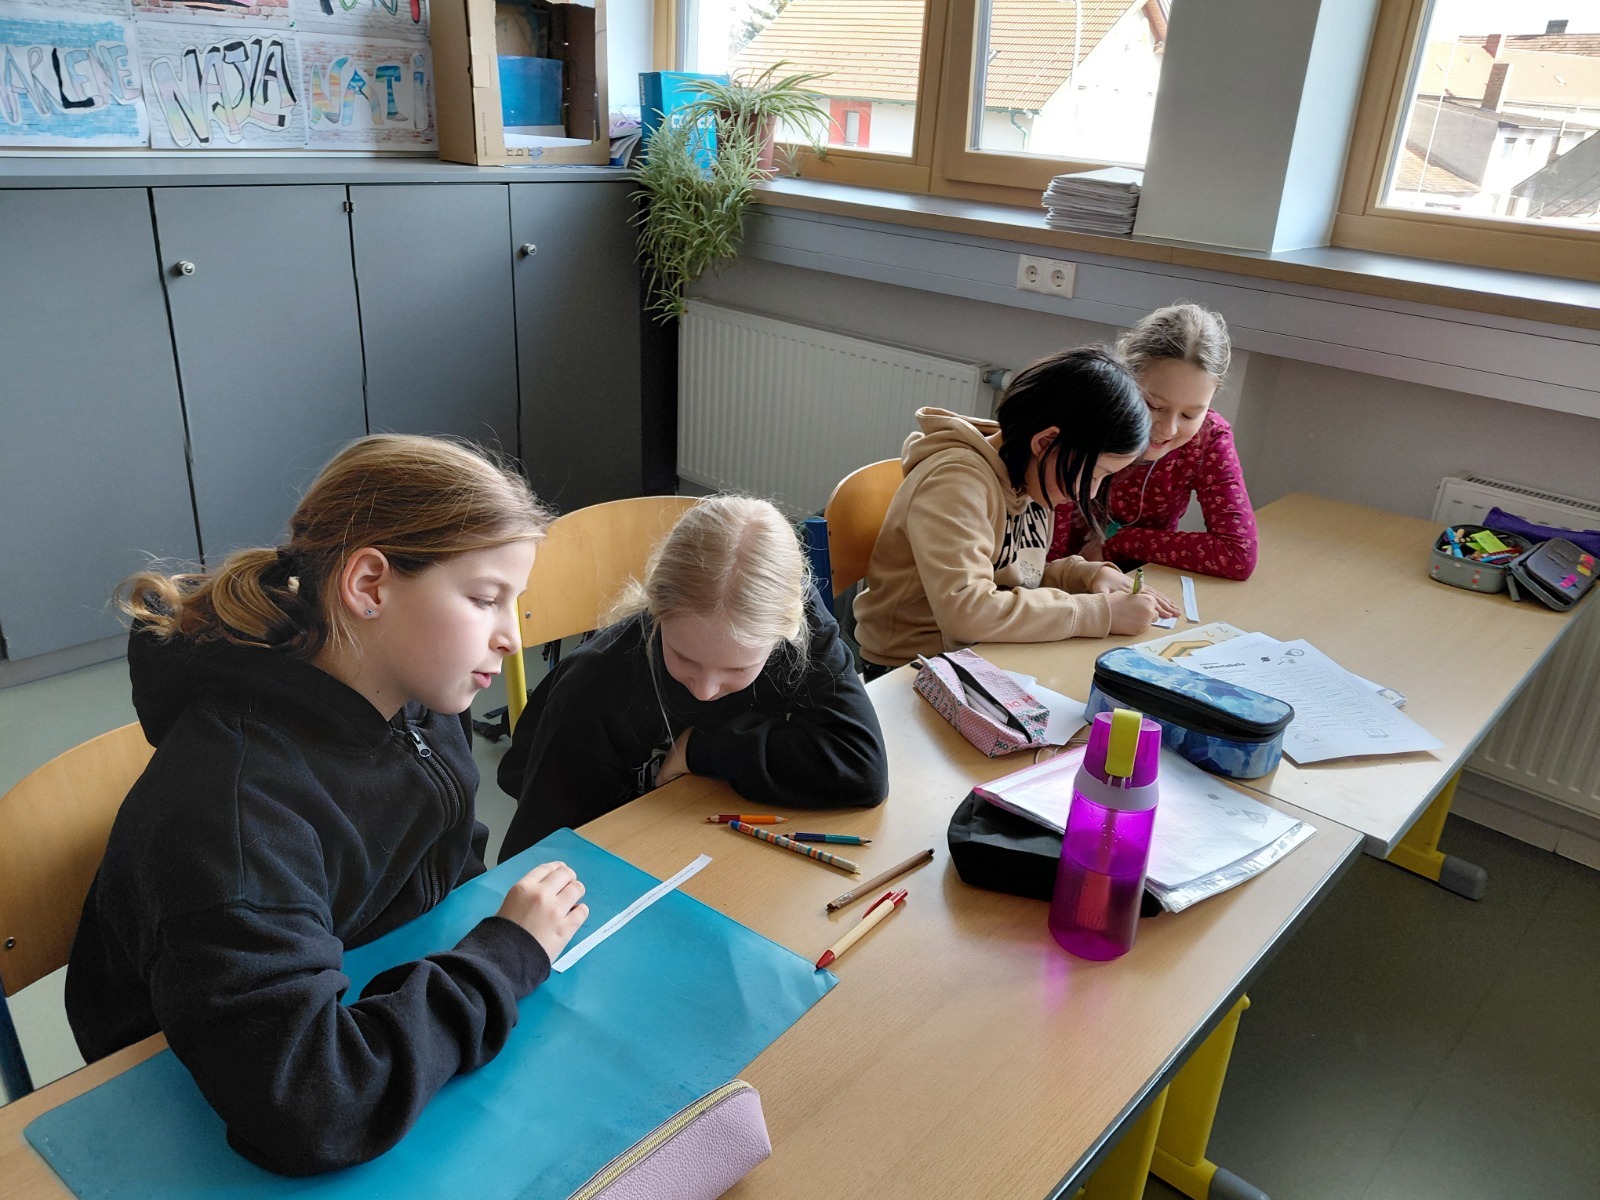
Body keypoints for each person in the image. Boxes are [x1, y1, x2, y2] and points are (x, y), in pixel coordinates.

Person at [65, 435, 589, 1177]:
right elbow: (317, 1108)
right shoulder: (232, 818)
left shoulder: (416, 696)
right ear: (369, 584)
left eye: (515, 602)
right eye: (484, 599)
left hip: (360, 995)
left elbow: (441, 866)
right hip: (177, 1102)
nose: (512, 637)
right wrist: (502, 960)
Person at [497, 495, 887, 861]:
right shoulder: (594, 687)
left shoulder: (801, 623)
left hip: (706, 845)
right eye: (684, 658)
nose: (705, 690)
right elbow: (534, 856)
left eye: (737, 670)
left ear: (786, 633)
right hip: (618, 855)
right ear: (657, 607)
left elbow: (860, 768)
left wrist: (700, 748)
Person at [853, 346, 1180, 675]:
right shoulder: (955, 482)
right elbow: (967, 613)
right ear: (1045, 443)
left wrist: (1083, 575)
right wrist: (1097, 613)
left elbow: (1014, 576)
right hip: (908, 668)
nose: (1091, 492)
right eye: (1093, 475)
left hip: (978, 655)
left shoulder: (1030, 476)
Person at [1048, 304, 1257, 580]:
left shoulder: (1208, 437)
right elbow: (1043, 556)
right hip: (1059, 579)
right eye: (1153, 405)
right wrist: (1079, 579)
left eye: (1189, 415)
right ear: (1124, 376)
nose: (1168, 429)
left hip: (1143, 575)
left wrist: (1116, 542)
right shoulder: (1089, 415)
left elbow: (1238, 553)